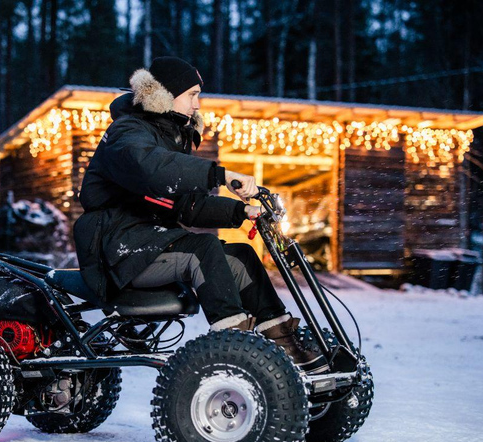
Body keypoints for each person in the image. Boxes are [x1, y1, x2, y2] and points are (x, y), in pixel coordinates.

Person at [74, 57, 328, 374]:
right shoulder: (127, 134)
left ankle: (284, 346)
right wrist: (220, 175)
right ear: (164, 95)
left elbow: (187, 206)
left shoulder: (168, 138)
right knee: (203, 250)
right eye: (192, 94)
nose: (197, 104)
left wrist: (243, 210)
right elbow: (150, 168)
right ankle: (236, 351)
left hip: (151, 244)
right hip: (117, 249)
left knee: (242, 256)